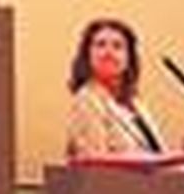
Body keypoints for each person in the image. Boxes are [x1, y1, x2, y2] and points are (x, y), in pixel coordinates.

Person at [64, 17, 165, 158]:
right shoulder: (87, 101)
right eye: (100, 45)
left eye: (117, 46)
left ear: (129, 59)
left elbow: (157, 153)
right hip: (114, 180)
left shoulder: (135, 103)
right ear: (87, 56)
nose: (108, 52)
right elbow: (95, 163)